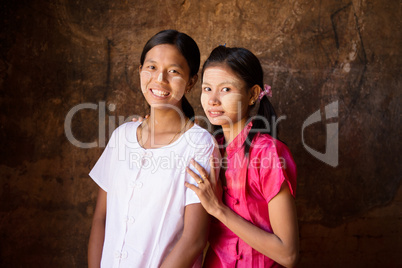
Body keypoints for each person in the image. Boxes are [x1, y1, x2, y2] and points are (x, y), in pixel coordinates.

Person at [88, 30, 219, 268]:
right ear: (140, 71)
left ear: (191, 81)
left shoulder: (199, 145)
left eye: (174, 71)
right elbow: (101, 218)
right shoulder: (122, 137)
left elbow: (194, 239)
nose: (160, 79)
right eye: (151, 67)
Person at [185, 46, 299, 267]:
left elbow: (288, 255)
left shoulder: (268, 153)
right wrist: (147, 129)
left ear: (253, 94)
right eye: (207, 89)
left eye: (226, 89)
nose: (212, 100)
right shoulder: (208, 148)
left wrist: (218, 209)